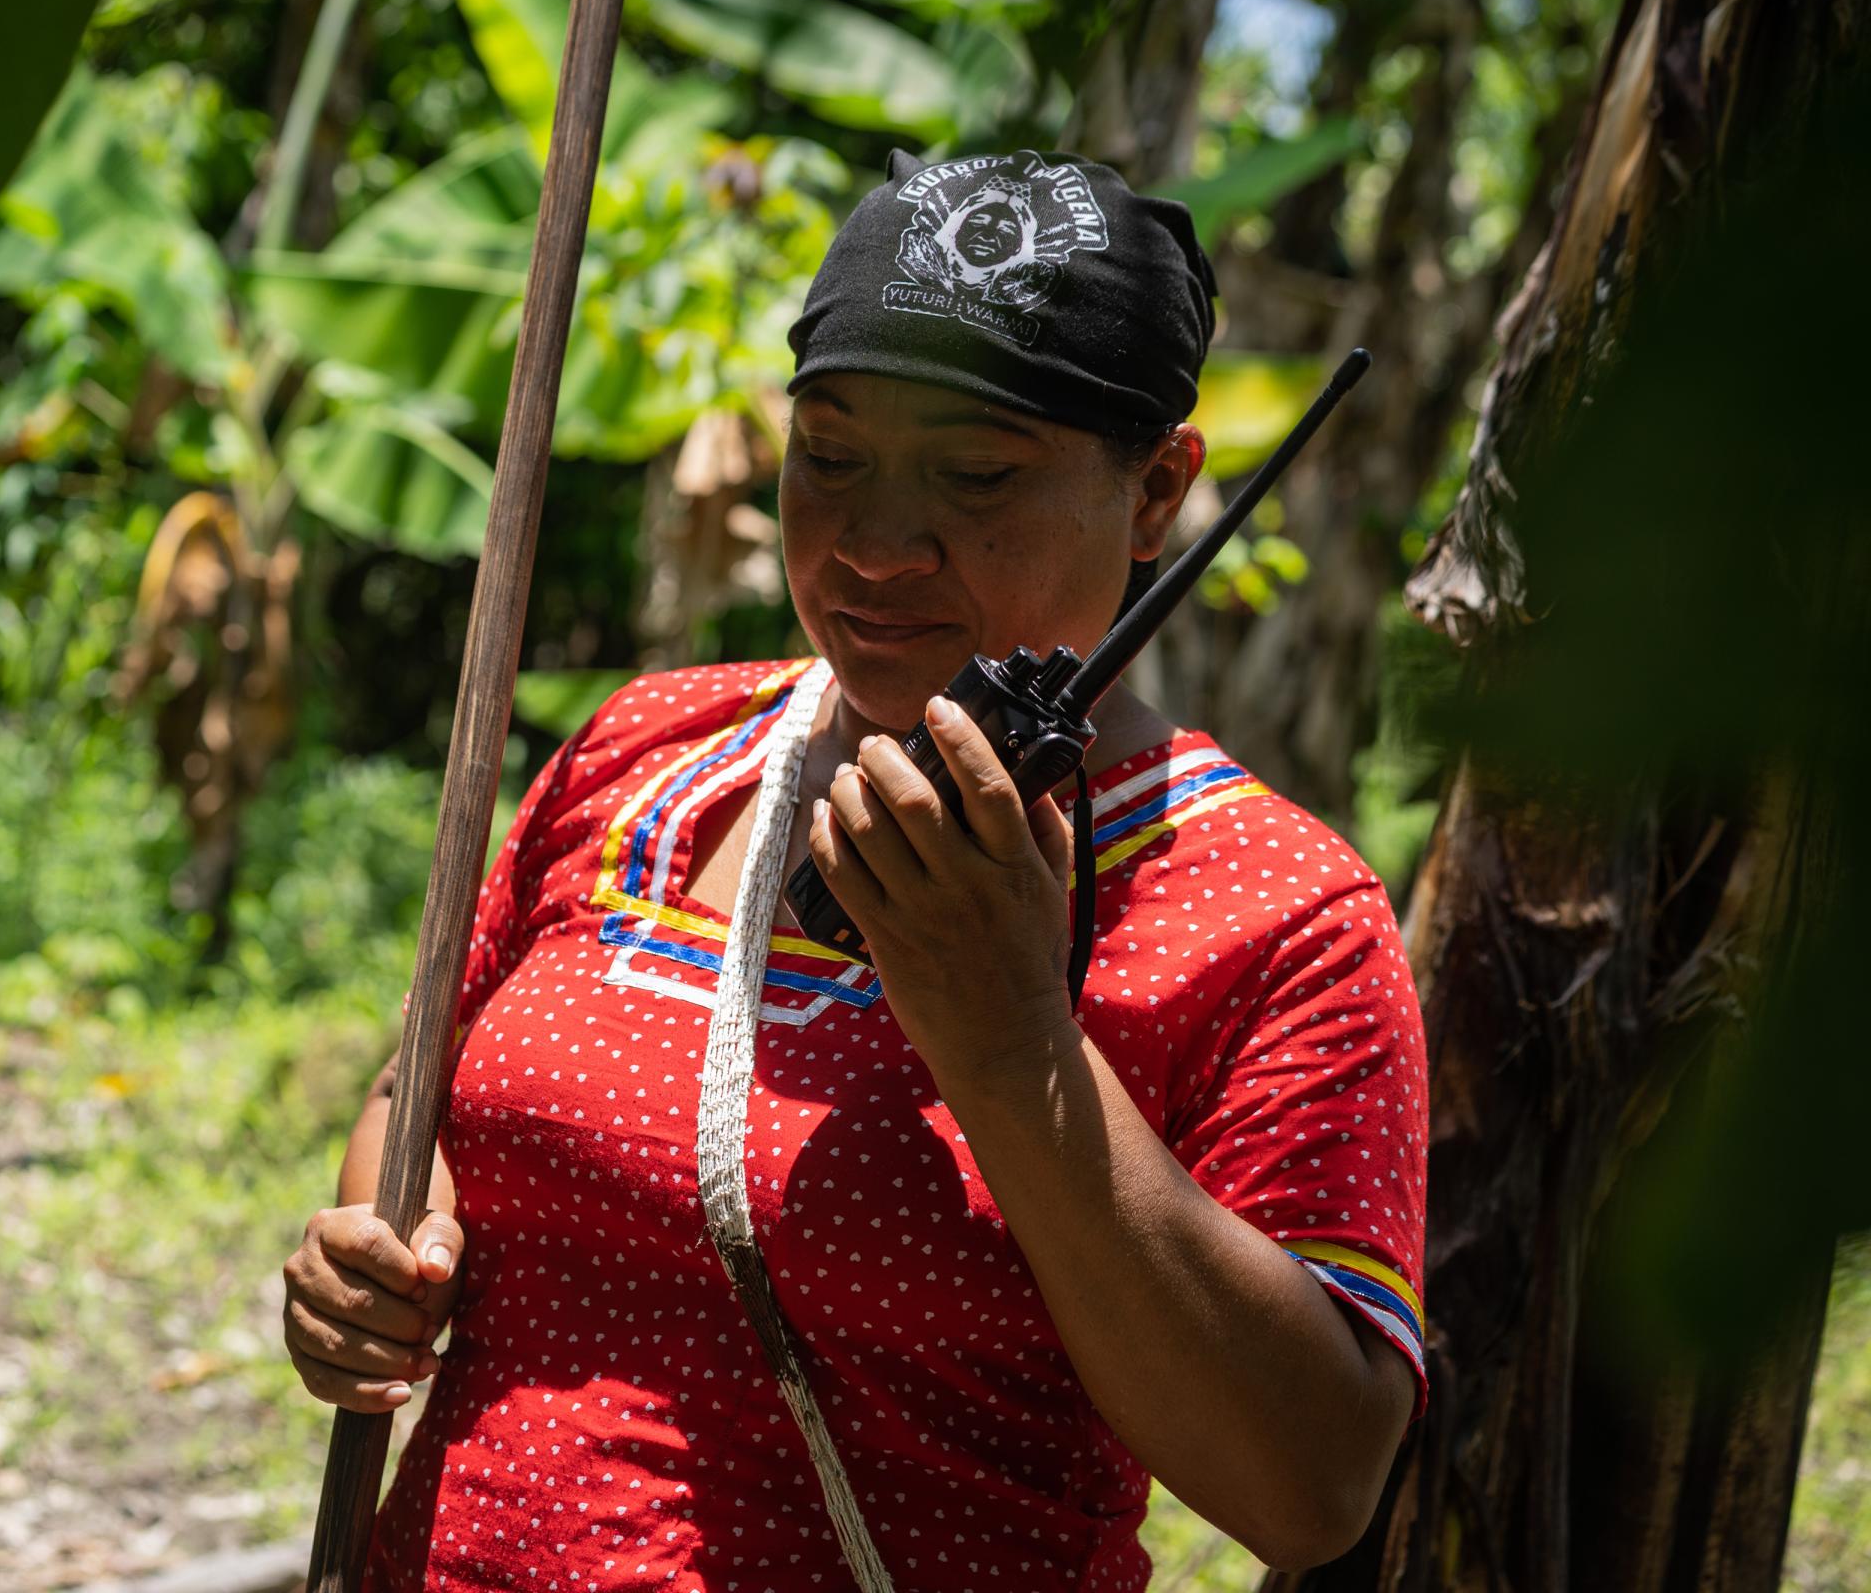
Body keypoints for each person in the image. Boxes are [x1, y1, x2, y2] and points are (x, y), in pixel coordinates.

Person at [280, 147, 1429, 1591]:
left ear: (1157, 496)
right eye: (829, 457)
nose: (878, 545)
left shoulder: (1273, 911)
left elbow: (1316, 1483)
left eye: (977, 475)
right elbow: (418, 1088)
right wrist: (378, 1256)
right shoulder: (649, 749)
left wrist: (1013, 1051)